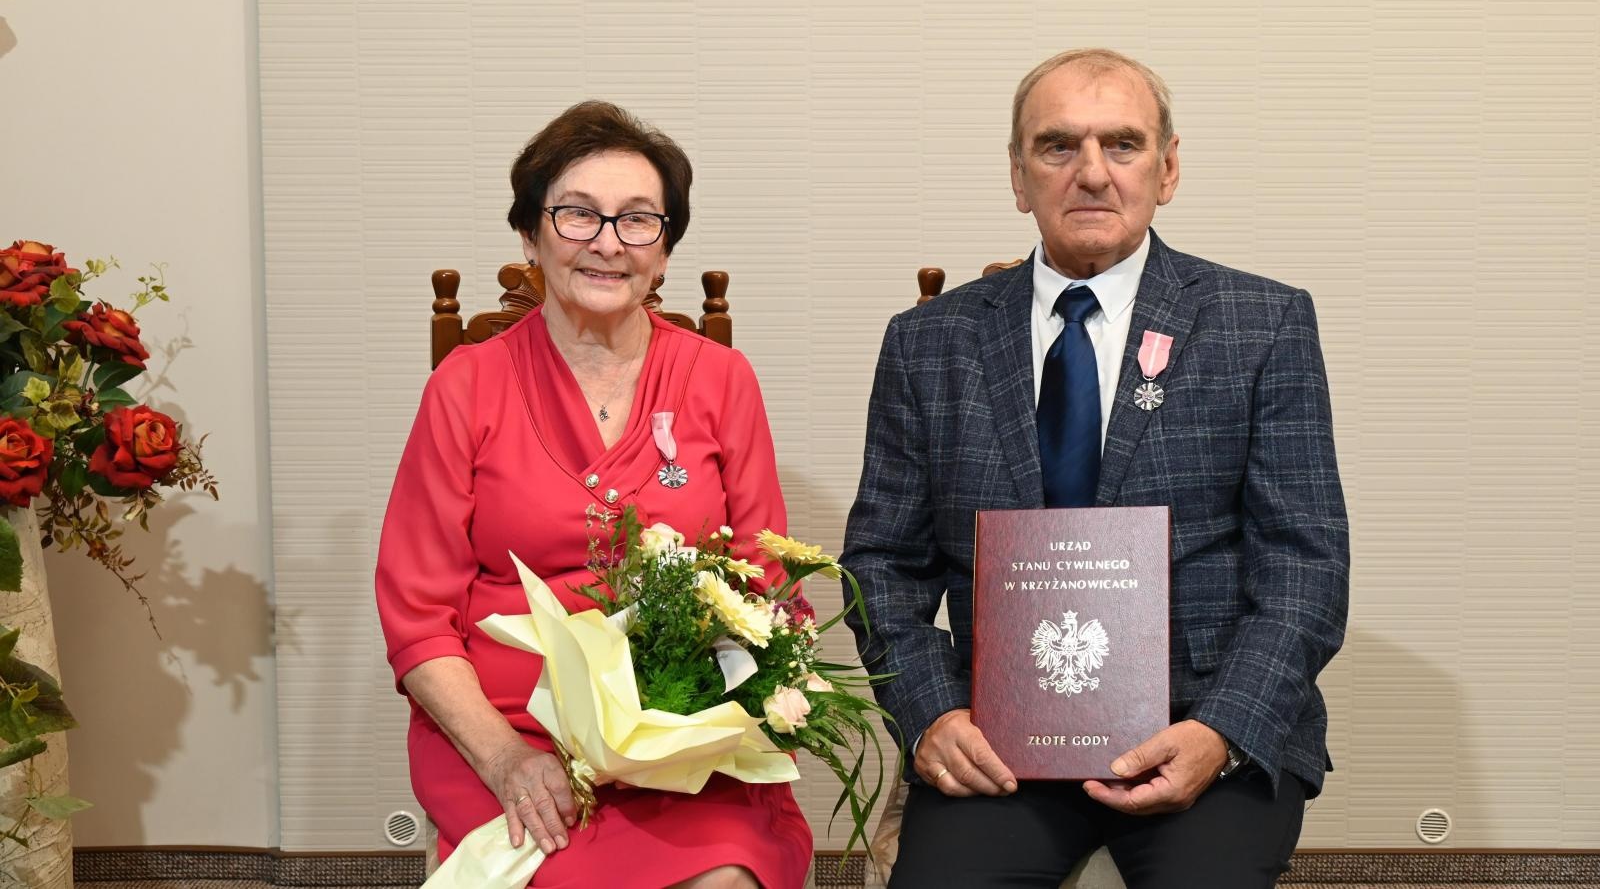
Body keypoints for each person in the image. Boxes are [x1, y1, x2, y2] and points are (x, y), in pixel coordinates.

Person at [840, 49, 1349, 888]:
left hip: (1199, 736)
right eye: (1056, 147)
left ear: (1168, 167)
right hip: (997, 740)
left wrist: (1220, 731)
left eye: (1122, 144)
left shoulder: (1261, 325)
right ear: (1017, 175)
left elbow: (1307, 569)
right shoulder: (928, 343)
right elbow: (882, 566)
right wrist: (930, 715)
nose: (1091, 174)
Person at [376, 101, 812, 889]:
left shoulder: (721, 380)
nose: (608, 242)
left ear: (666, 251)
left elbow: (765, 578)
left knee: (725, 881)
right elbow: (416, 618)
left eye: (638, 221)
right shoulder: (465, 387)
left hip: (683, 740)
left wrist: (716, 715)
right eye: (578, 214)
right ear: (530, 235)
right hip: (511, 732)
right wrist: (506, 758)